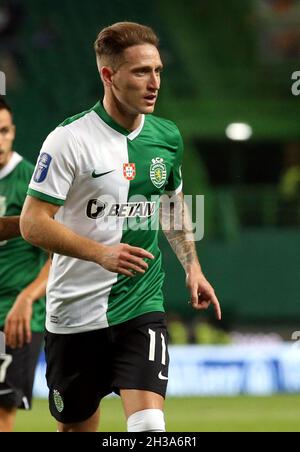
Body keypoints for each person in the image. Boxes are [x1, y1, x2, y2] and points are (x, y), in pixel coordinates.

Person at [20, 22, 221, 433]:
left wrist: (192, 267)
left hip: (140, 308)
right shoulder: (68, 140)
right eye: (141, 72)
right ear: (108, 76)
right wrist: (101, 253)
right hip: (73, 316)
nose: (154, 83)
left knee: (150, 427)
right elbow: (32, 222)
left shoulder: (167, 137)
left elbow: (171, 204)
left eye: (159, 71)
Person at [0, 98, 49, 432]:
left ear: (13, 132)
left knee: (2, 411)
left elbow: (57, 256)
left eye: (3, 131)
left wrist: (28, 298)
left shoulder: (32, 182)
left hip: (13, 314)